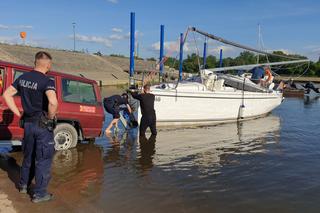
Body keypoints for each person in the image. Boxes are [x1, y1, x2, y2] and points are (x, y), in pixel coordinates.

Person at [3, 51, 58, 203]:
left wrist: (18, 113)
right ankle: (40, 194)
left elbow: (7, 95)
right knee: (43, 159)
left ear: (35, 63)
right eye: (50, 64)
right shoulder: (47, 81)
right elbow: (53, 102)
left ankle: (23, 186)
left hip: (28, 124)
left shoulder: (23, 78)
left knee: (28, 157)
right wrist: (51, 118)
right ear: (47, 64)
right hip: (42, 125)